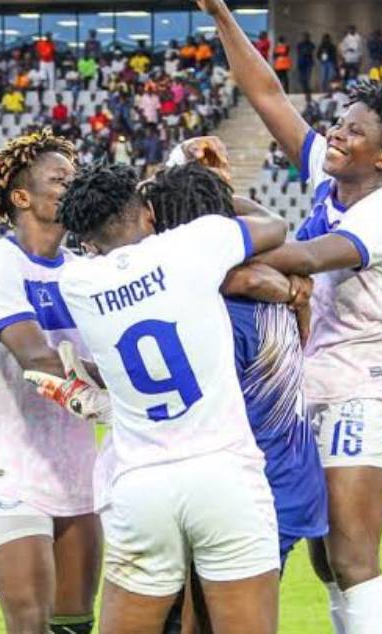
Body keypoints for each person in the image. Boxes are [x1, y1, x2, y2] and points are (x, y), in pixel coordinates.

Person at [195, 4, 382, 633]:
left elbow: (296, 256)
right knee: (327, 560)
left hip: (366, 388)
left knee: (353, 555)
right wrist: (220, 15)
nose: (337, 135)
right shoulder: (334, 186)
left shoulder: (380, 217)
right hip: (316, 380)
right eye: (339, 124)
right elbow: (267, 94)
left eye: (354, 133)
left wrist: (205, 216)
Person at [41, 161, 285, 634]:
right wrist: (212, 191)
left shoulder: (77, 283)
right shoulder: (195, 243)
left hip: (141, 483)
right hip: (223, 471)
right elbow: (274, 227)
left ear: (87, 242)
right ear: (148, 211)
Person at [0, 129, 102, 634]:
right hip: (10, 467)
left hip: (79, 467)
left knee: (76, 624)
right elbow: (35, 357)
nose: (72, 185)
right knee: (29, 621)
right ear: (21, 197)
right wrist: (110, 396)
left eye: (75, 177)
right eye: (59, 178)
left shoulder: (87, 270)